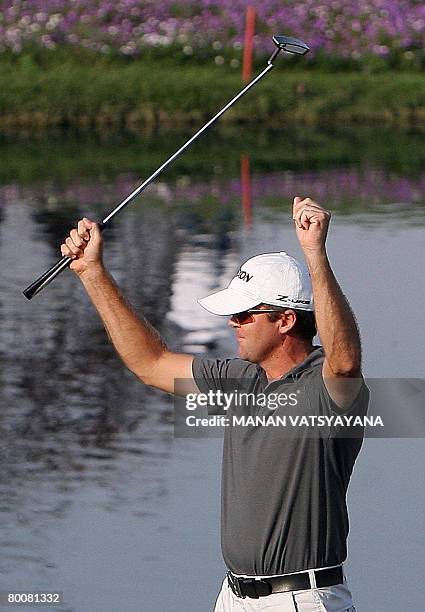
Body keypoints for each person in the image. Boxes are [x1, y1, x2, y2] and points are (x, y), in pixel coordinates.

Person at [61, 197, 368, 612]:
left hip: (303, 599)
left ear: (285, 320)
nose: (232, 323)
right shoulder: (240, 379)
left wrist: (315, 254)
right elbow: (150, 364)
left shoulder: (327, 389)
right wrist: (92, 273)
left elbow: (345, 360)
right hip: (233, 597)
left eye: (244, 315)